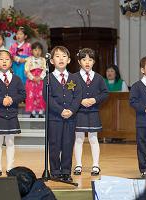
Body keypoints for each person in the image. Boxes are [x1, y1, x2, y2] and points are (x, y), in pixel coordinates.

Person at [44, 46, 82, 182]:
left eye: (64, 56)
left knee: (67, 143)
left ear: (69, 60)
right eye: (58, 56)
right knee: (54, 144)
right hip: (54, 118)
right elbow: (47, 97)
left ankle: (66, 171)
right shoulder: (48, 78)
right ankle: (54, 171)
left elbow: (78, 96)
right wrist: (60, 110)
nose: (61, 59)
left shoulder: (74, 78)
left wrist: (71, 110)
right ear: (52, 61)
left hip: (70, 118)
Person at [0, 50, 26, 176]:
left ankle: (10, 168)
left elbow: (23, 94)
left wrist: (12, 100)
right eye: (1, 59)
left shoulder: (17, 79)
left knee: (10, 142)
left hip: (12, 114)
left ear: (11, 62)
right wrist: (1, 100)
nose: (4, 61)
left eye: (7, 59)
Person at [73, 48, 108, 176]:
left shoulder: (98, 78)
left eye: (90, 59)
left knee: (94, 138)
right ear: (79, 61)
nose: (87, 62)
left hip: (93, 112)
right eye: (84, 59)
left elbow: (105, 93)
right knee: (79, 138)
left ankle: (96, 165)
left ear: (94, 62)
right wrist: (80, 101)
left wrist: (94, 99)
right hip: (79, 112)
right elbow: (70, 93)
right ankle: (78, 164)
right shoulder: (74, 77)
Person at [24, 42, 46, 118]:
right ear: (31, 51)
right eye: (35, 50)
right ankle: (33, 112)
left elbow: (45, 70)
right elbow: (26, 70)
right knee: (31, 96)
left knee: (41, 96)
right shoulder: (28, 60)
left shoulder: (43, 60)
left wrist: (40, 77)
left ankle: (41, 112)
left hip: (41, 81)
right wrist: (33, 78)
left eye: (39, 50)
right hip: (31, 81)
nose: (37, 52)